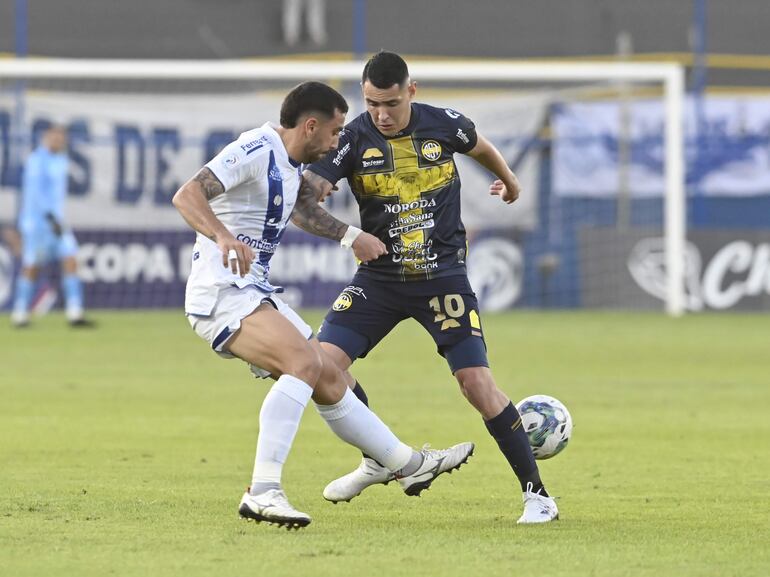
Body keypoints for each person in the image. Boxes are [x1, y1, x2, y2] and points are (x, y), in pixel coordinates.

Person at [172, 81, 474, 530]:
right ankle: (263, 492)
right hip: (221, 291)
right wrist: (223, 236)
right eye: (334, 133)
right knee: (303, 365)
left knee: (331, 377)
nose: (337, 143)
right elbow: (187, 194)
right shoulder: (255, 148)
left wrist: (352, 237)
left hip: (254, 290)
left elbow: (305, 212)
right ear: (310, 125)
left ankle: (407, 464)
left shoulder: (289, 164)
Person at [292, 52, 559, 524]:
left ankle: (538, 496)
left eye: (391, 103)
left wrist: (510, 181)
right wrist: (341, 225)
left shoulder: (443, 124)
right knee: (318, 368)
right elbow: (304, 201)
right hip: (380, 280)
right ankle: (380, 457)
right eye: (372, 103)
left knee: (476, 384)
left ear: (411, 92)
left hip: (443, 278)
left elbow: (480, 146)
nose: (381, 114)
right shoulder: (351, 138)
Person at [11, 125, 91, 328]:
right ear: (46, 137)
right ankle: (19, 314)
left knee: (71, 258)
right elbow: (35, 195)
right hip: (37, 223)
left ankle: (75, 313)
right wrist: (49, 218)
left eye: (61, 137)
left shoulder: (61, 160)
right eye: (54, 136)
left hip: (57, 222)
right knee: (32, 266)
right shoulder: (36, 160)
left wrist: (56, 219)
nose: (58, 140)